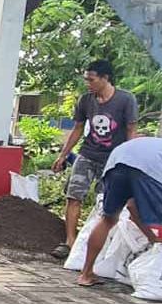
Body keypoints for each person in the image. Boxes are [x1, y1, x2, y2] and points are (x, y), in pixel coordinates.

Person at [51, 60, 138, 259]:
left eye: (91, 80)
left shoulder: (126, 100)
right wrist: (63, 155)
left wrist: (129, 160)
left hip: (113, 159)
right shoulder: (86, 100)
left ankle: (92, 246)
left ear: (105, 78)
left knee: (103, 203)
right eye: (86, 80)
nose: (87, 84)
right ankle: (70, 242)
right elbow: (78, 129)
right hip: (87, 154)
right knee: (74, 196)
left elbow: (131, 131)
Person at [78, 137, 162, 286]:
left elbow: (132, 207)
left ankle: (86, 274)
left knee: (108, 219)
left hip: (117, 160)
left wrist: (152, 237)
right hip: (152, 163)